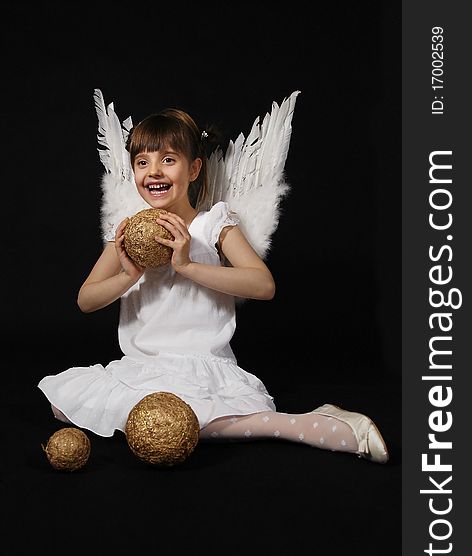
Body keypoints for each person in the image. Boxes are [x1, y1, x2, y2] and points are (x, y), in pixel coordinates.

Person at [38, 104, 389, 464]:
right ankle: (198, 423)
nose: (153, 171)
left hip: (200, 365)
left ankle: (300, 424)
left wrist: (187, 265)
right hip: (142, 365)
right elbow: (86, 299)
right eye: (142, 162)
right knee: (64, 406)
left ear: (193, 169)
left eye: (168, 160)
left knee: (193, 421)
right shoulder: (128, 231)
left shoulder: (212, 224)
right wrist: (130, 275)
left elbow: (263, 285)